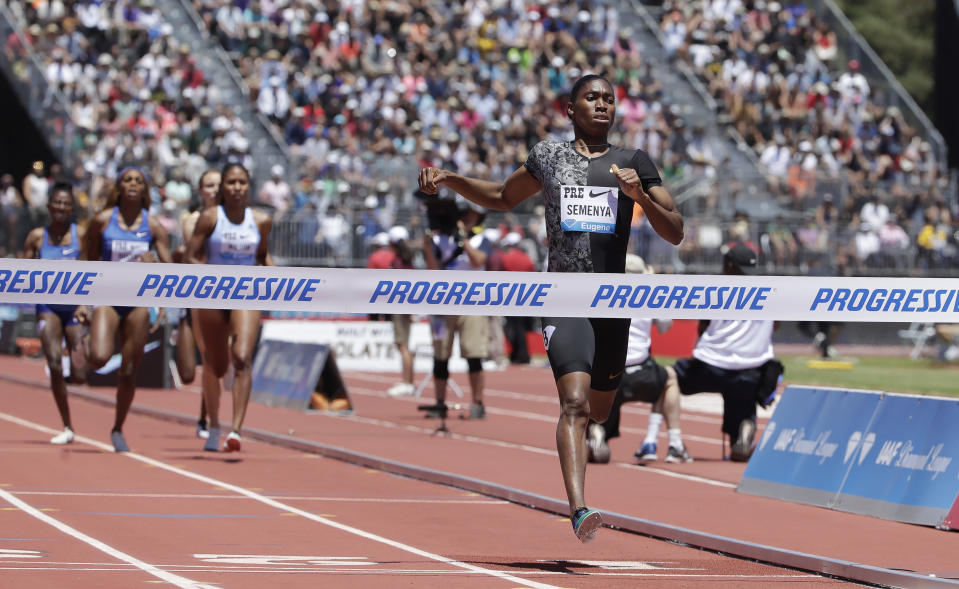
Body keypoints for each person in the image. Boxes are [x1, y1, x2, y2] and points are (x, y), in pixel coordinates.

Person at [418, 74, 683, 542]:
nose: (602, 105)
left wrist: (639, 196)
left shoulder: (633, 162)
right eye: (592, 98)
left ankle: (592, 436)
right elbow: (502, 197)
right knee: (575, 403)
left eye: (609, 99)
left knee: (600, 409)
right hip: (562, 296)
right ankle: (579, 509)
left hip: (612, 303)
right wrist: (453, 180)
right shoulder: (548, 157)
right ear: (570, 109)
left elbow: (676, 230)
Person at [77, 167, 172, 452]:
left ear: (145, 190)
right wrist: (82, 301)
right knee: (98, 359)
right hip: (107, 296)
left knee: (129, 370)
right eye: (128, 180)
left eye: (139, 181)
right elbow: (86, 260)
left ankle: (118, 428)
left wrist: (156, 271)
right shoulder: (103, 221)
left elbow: (171, 270)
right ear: (119, 187)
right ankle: (88, 337)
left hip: (138, 301)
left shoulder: (153, 226)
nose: (133, 184)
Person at [186, 163, 273, 452]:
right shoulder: (211, 218)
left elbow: (262, 257)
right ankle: (213, 425)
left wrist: (275, 279)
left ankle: (236, 430)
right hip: (212, 296)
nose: (237, 187)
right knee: (216, 364)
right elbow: (192, 256)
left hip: (246, 295)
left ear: (249, 187)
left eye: (242, 182)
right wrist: (211, 277)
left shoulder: (260, 220)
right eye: (232, 182)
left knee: (242, 357)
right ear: (223, 187)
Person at [673, 242, 780, 462]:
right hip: (750, 371)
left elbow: (703, 328)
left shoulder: (715, 289)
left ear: (728, 265)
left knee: (667, 379)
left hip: (710, 368)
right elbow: (776, 324)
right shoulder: (769, 292)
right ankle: (743, 432)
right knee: (742, 393)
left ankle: (670, 440)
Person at [585, 254, 691, 464]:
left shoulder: (603, 291)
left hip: (608, 372)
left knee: (598, 407)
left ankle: (597, 431)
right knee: (669, 378)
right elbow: (665, 326)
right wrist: (652, 284)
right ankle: (672, 442)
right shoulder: (647, 294)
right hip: (641, 371)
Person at [22, 182, 88, 444]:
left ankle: (73, 368)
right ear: (49, 206)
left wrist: (86, 304)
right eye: (57, 202)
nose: (61, 207)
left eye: (66, 203)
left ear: (72, 208)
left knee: (82, 373)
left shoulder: (81, 236)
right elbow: (21, 273)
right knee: (52, 362)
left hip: (74, 307)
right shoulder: (37, 237)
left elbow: (93, 273)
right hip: (47, 306)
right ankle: (67, 425)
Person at [420, 204, 493, 419]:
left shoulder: (482, 240)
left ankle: (477, 403)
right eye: (463, 216)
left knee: (474, 354)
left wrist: (464, 239)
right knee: (440, 354)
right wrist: (427, 247)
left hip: (473, 304)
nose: (466, 219)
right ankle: (440, 402)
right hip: (444, 304)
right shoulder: (443, 240)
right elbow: (433, 268)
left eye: (471, 216)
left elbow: (478, 260)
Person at [175, 169, 221, 439]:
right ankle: (207, 416)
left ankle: (208, 419)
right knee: (190, 371)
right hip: (198, 294)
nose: (214, 190)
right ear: (200, 191)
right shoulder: (192, 221)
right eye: (208, 185)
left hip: (225, 297)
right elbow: (196, 255)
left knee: (216, 360)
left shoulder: (233, 220)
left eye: (218, 185)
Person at [385, 225, 417, 398]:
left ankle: (407, 382)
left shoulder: (397, 262)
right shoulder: (408, 260)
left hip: (399, 306)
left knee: (402, 345)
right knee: (405, 344)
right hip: (407, 305)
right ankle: (408, 381)